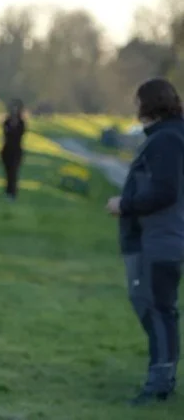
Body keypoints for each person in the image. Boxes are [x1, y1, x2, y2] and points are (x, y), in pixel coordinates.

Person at [105, 77, 184, 406]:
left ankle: (159, 383)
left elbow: (165, 190)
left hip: (160, 239)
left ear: (148, 103)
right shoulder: (170, 135)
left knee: (157, 308)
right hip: (161, 237)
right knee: (157, 307)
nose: (135, 108)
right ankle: (161, 375)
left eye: (138, 101)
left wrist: (125, 204)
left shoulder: (166, 139)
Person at [0, 98, 26, 201]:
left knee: (14, 172)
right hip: (7, 150)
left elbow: (18, 135)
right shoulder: (7, 121)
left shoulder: (21, 123)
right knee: (8, 172)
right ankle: (8, 191)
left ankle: (13, 192)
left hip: (16, 150)